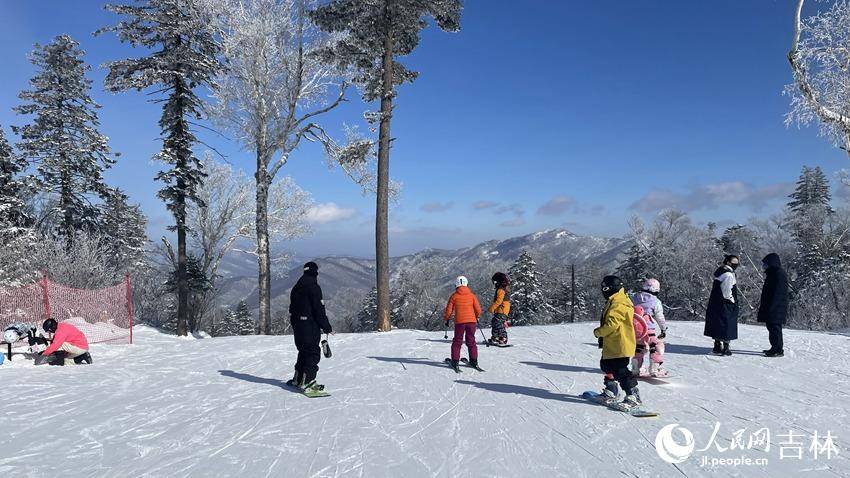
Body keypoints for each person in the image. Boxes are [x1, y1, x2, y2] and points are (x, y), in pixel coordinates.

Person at [593, 275, 641, 406]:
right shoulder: (615, 300)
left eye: (605, 288)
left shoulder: (619, 303)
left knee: (621, 371)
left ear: (610, 288)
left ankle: (633, 394)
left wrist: (598, 332)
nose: (603, 290)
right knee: (606, 366)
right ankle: (611, 390)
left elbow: (612, 324)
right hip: (612, 343)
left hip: (620, 344)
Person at [287, 261, 333, 392]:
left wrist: (296, 322)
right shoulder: (314, 287)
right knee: (312, 352)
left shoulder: (296, 287)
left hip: (297, 324)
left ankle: (298, 378)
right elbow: (319, 310)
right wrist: (327, 327)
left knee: (303, 351)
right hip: (309, 325)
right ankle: (308, 382)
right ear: (315, 272)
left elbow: (292, 308)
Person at [630, 278, 667, 377]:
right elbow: (659, 316)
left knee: (639, 348)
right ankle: (654, 368)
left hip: (636, 330)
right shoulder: (655, 301)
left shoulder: (634, 298)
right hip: (649, 329)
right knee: (655, 346)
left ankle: (635, 368)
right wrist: (663, 329)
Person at [704, 255, 740, 356]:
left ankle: (717, 345)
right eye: (734, 262)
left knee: (717, 323)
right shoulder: (729, 275)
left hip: (716, 302)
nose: (736, 264)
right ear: (728, 262)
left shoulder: (720, 271)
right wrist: (732, 300)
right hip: (726, 303)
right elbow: (727, 292)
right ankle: (726, 348)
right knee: (727, 324)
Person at [444, 276, 482, 371]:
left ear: (456, 285)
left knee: (457, 342)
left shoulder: (454, 296)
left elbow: (449, 310)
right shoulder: (472, 296)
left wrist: (446, 319)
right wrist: (476, 316)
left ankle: (455, 361)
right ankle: (474, 361)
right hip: (472, 322)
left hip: (460, 322)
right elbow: (478, 310)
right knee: (471, 341)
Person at [758, 253, 788, 357]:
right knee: (772, 327)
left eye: (766, 264)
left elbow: (778, 293)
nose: (764, 267)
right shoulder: (773, 273)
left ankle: (778, 349)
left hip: (776, 307)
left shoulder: (778, 274)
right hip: (773, 306)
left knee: (775, 328)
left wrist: (772, 306)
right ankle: (775, 347)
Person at [488, 272, 510, 346]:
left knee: (499, 324)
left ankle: (503, 337)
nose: (494, 283)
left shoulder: (501, 290)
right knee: (495, 322)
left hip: (502, 310)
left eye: (495, 282)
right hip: (501, 310)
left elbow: (499, 301)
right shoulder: (503, 289)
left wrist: (492, 308)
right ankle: (496, 337)